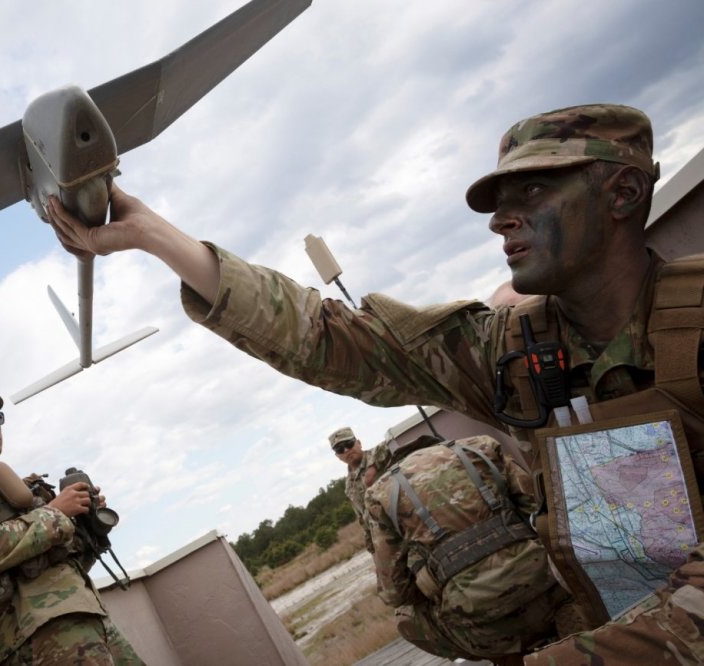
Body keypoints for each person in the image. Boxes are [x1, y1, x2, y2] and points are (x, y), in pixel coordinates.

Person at [47, 103, 704, 662]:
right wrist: (153, 236)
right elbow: (333, 340)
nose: (501, 219)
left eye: (533, 192)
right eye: (499, 202)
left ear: (621, 193)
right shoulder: (514, 350)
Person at [0, 388, 144, 666]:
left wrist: (85, 524)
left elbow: (61, 566)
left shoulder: (11, 488)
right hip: (34, 634)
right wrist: (57, 512)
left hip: (80, 616)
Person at [363, 435, 569, 665]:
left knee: (405, 618)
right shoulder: (481, 446)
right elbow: (542, 512)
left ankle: (506, 656)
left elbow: (394, 593)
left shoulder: (380, 494)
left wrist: (431, 581)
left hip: (481, 624)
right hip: (552, 587)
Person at [329, 426, 376, 551]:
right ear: (338, 456)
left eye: (349, 444)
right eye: (340, 449)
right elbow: (363, 519)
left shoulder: (381, 455)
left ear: (359, 443)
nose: (346, 450)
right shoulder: (349, 486)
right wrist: (373, 549)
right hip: (387, 540)